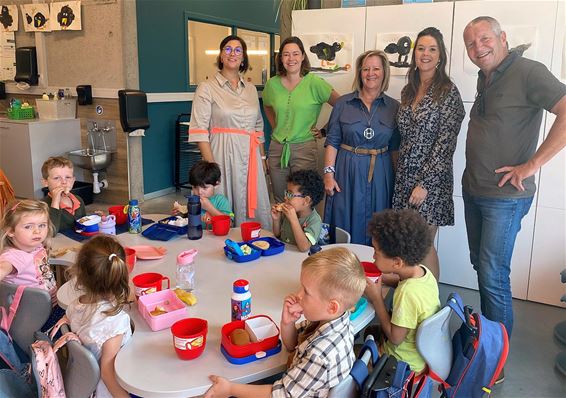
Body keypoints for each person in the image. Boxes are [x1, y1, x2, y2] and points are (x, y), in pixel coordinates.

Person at [462, 16, 566, 343]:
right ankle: (490, 338)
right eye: (470, 43)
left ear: (502, 38)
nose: (478, 47)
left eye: (484, 39)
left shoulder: (528, 72)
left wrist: (531, 164)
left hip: (505, 198)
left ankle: (495, 355)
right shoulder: (486, 78)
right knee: (482, 266)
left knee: (493, 275)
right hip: (475, 190)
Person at [204, 247, 366, 398]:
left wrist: (231, 389)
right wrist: (287, 323)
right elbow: (292, 346)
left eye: (306, 292)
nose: (298, 295)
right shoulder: (335, 320)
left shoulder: (320, 355)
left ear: (332, 307)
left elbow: (280, 395)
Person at [392, 27, 465, 280]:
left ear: (440, 56)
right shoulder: (408, 90)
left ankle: (431, 306)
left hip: (430, 181)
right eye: (421, 48)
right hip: (405, 176)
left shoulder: (448, 91)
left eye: (432, 49)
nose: (425, 54)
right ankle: (411, 299)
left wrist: (424, 183)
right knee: (408, 244)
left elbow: (446, 143)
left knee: (422, 244)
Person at [189, 35, 271, 228]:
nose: (232, 53)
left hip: (251, 157)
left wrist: (262, 159)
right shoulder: (206, 88)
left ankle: (252, 240)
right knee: (221, 197)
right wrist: (211, 167)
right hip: (221, 153)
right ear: (220, 56)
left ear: (243, 58)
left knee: (253, 200)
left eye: (237, 50)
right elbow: (199, 129)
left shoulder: (251, 89)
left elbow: (258, 127)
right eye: (227, 49)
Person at [323, 50, 400, 246]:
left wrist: (398, 181)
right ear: (359, 73)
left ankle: (374, 271)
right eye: (366, 69)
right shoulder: (343, 103)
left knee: (380, 222)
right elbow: (332, 141)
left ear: (384, 73)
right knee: (344, 219)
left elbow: (395, 148)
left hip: (381, 172)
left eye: (376, 68)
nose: (370, 73)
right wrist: (328, 174)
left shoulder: (394, 107)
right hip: (347, 170)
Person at [263, 36, 340, 203]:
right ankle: (282, 230)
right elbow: (267, 106)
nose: (291, 59)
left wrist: (324, 130)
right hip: (277, 149)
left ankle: (303, 230)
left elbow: (342, 106)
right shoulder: (272, 85)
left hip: (304, 149)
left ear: (303, 56)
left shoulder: (315, 83)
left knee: (302, 200)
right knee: (280, 199)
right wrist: (277, 127)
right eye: (286, 54)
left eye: (295, 54)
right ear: (280, 58)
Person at [364, 209, 440, 374]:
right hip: (422, 353)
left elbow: (395, 338)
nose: (373, 256)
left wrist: (377, 298)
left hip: (401, 364)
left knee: (353, 358)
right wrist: (382, 279)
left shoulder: (407, 294)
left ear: (397, 262)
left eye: (376, 252)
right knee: (370, 331)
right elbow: (401, 281)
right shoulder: (424, 273)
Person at [66, 235, 132, 398]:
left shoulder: (74, 305)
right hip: (107, 391)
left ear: (80, 274)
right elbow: (107, 374)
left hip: (83, 383)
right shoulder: (115, 323)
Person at [0, 199, 64, 331]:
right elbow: (3, 268)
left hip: (48, 305)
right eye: (28, 226)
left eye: (42, 225)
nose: (37, 231)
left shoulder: (35, 246)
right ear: (10, 231)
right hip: (35, 315)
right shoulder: (14, 257)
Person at [271, 169, 324, 252]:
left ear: (306, 201)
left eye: (290, 194)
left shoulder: (314, 221)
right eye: (286, 193)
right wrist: (276, 220)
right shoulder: (289, 213)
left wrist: (294, 220)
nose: (285, 197)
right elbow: (278, 235)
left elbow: (304, 247)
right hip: (285, 255)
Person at [40, 156, 86, 235]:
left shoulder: (78, 200)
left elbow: (84, 225)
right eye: (57, 178)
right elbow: (51, 233)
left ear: (73, 180)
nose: (64, 182)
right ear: (45, 182)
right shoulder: (42, 206)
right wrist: (55, 202)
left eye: (68, 177)